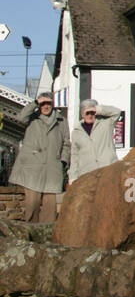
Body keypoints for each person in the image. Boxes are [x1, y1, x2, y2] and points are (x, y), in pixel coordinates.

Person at [9, 92, 70, 223]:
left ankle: (47, 238)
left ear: (53, 104)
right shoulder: (32, 118)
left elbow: (66, 143)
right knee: (32, 206)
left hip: (52, 169)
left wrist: (63, 161)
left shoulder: (62, 121)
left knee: (49, 210)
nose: (45, 106)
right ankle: (30, 236)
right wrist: (35, 103)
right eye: (42, 104)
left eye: (48, 103)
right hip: (32, 169)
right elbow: (20, 118)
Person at [69, 100, 123, 182]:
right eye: (87, 113)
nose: (90, 116)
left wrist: (99, 109)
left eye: (92, 113)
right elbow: (75, 156)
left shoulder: (106, 123)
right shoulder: (76, 132)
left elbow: (117, 112)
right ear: (82, 114)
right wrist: (73, 176)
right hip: (86, 174)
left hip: (107, 170)